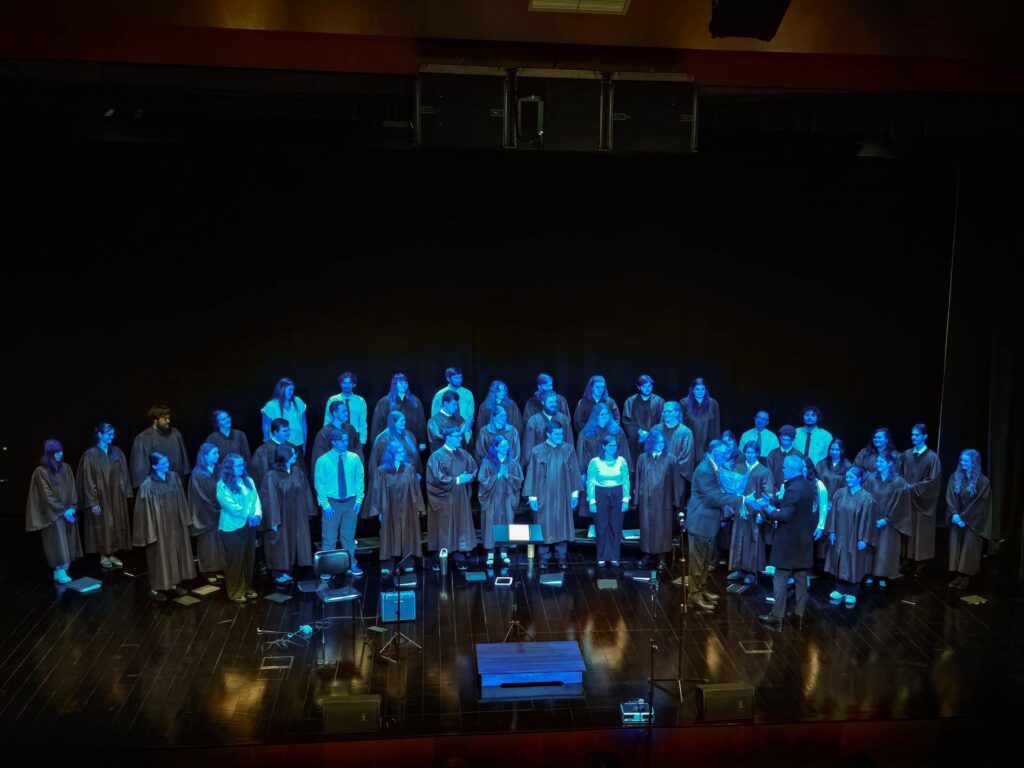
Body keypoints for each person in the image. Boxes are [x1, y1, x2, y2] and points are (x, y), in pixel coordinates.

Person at [758, 454, 818, 629]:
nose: (782, 469)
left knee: (780, 579)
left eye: (784, 467)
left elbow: (785, 515)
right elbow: (793, 505)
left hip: (788, 542)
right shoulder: (807, 485)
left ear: (792, 469)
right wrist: (773, 501)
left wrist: (767, 509)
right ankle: (799, 615)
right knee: (801, 578)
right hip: (803, 541)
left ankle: (777, 615)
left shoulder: (792, 489)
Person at [685, 441, 744, 611]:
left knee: (704, 561)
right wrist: (741, 499)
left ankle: (701, 589)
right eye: (722, 453)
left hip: (708, 522)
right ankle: (694, 595)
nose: (726, 455)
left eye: (726, 452)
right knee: (697, 562)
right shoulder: (705, 470)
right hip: (700, 522)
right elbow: (714, 497)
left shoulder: (714, 467)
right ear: (712, 452)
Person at [133, 451, 196, 602]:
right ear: (154, 466)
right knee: (160, 557)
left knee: (174, 554)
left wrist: (184, 520)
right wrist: (151, 531)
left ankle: (173, 584)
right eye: (163, 463)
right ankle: (155, 588)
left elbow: (181, 500)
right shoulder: (147, 485)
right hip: (159, 527)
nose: (167, 465)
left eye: (167, 461)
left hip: (175, 524)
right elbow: (143, 512)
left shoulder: (174, 477)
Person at [523, 421, 584, 570]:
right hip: (544, 494)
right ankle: (543, 557)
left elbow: (574, 473)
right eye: (556, 434)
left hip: (563, 494)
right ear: (548, 434)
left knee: (562, 524)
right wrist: (532, 498)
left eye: (561, 433)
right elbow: (532, 474)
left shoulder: (568, 449)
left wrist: (574, 494)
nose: (560, 436)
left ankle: (561, 556)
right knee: (544, 524)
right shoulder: (538, 451)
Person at [25, 439, 81, 584]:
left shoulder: (66, 467)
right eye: (57, 452)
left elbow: (72, 489)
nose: (60, 454)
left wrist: (72, 508)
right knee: (57, 542)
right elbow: (46, 496)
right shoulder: (41, 471)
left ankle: (61, 569)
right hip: (52, 514)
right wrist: (63, 511)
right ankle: (59, 570)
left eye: (61, 451)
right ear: (49, 454)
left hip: (67, 511)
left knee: (68, 540)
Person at [77, 422, 132, 569]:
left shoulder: (117, 452)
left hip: (116, 496)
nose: (111, 437)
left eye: (112, 434)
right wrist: (93, 502)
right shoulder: (90, 455)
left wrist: (125, 493)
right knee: (103, 525)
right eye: (108, 434)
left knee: (116, 523)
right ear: (100, 434)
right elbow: (87, 480)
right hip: (101, 497)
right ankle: (103, 555)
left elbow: (124, 474)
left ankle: (112, 553)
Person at [365, 440, 424, 575]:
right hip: (389, 508)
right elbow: (376, 491)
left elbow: (416, 490)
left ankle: (407, 561)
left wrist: (418, 508)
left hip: (407, 507)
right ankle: (388, 562)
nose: (402, 454)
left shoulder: (409, 469)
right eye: (399, 452)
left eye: (403, 451)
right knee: (388, 535)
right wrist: (378, 511)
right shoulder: (382, 471)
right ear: (391, 453)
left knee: (407, 534)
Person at [260, 444, 316, 584]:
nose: (295, 456)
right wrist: (274, 520)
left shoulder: (297, 471)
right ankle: (278, 572)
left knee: (294, 542)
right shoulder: (272, 475)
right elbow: (270, 498)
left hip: (297, 515)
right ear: (283, 456)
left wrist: (309, 511)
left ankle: (287, 570)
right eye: (292, 453)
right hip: (281, 516)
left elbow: (306, 491)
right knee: (281, 544)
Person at [313, 429, 365, 579]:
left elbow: (359, 479)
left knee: (348, 536)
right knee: (329, 537)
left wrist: (359, 499)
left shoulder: (354, 458)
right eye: (342, 441)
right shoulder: (323, 461)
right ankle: (327, 567)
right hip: (332, 504)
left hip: (350, 502)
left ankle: (351, 563)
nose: (346, 443)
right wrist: (325, 505)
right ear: (333, 442)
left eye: (346, 440)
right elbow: (320, 484)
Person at [425, 427, 478, 570]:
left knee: (460, 524)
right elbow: (436, 479)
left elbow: (473, 468)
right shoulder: (436, 457)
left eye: (460, 436)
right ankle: (440, 556)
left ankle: (458, 555)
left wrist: (469, 476)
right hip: (444, 498)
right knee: (444, 527)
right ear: (448, 437)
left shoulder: (463, 454)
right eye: (456, 436)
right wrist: (458, 480)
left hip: (460, 497)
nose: (460, 439)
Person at [824, 466, 876, 606]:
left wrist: (863, 539)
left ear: (859, 479)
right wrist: (832, 531)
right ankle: (840, 589)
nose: (848, 479)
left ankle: (852, 591)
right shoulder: (840, 493)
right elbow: (833, 514)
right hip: (841, 534)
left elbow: (867, 521)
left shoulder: (866, 498)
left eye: (851, 477)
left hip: (855, 536)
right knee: (840, 559)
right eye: (847, 477)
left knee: (854, 562)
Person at [216, 453, 262, 602]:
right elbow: (231, 507)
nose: (242, 468)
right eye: (238, 466)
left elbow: (256, 500)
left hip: (249, 526)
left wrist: (257, 514)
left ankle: (247, 588)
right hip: (232, 528)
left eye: (242, 465)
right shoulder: (223, 484)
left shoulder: (248, 481)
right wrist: (249, 515)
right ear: (229, 467)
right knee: (235, 561)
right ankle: (235, 591)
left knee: (248, 559)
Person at [863, 450, 910, 590]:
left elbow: (901, 504)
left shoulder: (898, 482)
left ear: (889, 463)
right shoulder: (871, 479)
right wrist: (870, 517)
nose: (878, 464)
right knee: (871, 548)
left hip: (889, 522)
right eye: (877, 461)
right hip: (872, 520)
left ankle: (883, 576)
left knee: (885, 549)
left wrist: (887, 519)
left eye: (881, 462)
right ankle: (870, 574)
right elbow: (865, 497)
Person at [727, 441, 773, 585]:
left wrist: (762, 513)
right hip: (739, 510)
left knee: (753, 541)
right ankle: (738, 569)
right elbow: (731, 488)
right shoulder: (738, 467)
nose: (750, 455)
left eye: (753, 452)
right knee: (738, 538)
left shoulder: (764, 471)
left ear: (758, 453)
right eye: (748, 452)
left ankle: (751, 572)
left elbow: (767, 494)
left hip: (755, 512)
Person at [946, 449, 992, 591]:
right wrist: (954, 514)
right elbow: (950, 497)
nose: (962, 463)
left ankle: (966, 577)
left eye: (966, 461)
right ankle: (958, 576)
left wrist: (964, 518)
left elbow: (980, 504)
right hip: (957, 519)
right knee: (956, 547)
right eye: (961, 460)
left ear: (974, 462)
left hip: (972, 521)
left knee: (968, 549)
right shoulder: (955, 477)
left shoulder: (983, 481)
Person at [900, 424, 942, 572]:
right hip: (907, 500)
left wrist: (912, 487)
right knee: (908, 529)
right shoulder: (906, 455)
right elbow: (898, 474)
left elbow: (933, 481)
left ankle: (921, 563)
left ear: (925, 436)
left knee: (921, 531)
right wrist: (903, 485)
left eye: (917, 435)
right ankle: (907, 559)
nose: (913, 437)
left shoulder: (932, 458)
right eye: (912, 435)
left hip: (923, 501)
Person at [634, 430, 678, 571]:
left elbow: (676, 482)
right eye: (657, 442)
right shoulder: (642, 458)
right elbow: (638, 479)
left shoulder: (670, 459)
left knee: (662, 528)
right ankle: (646, 554)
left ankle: (662, 557)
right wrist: (637, 499)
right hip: (646, 499)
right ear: (651, 443)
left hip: (664, 500)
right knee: (646, 527)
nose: (660, 445)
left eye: (662, 442)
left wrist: (676, 501)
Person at [478, 435, 524, 568]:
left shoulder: (513, 463)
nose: (506, 448)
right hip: (492, 500)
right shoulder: (487, 463)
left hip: (507, 500)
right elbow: (482, 480)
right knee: (491, 525)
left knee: (505, 524)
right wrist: (497, 476)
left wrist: (508, 476)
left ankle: (504, 552)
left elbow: (519, 480)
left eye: (507, 445)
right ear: (496, 447)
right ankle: (490, 554)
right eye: (503, 446)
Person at [587, 435, 630, 567]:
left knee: (616, 526)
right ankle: (601, 556)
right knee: (601, 526)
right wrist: (592, 501)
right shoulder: (595, 461)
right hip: (600, 494)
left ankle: (614, 557)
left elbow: (626, 480)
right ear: (604, 446)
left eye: (614, 446)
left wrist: (626, 499)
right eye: (610, 445)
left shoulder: (621, 461)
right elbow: (590, 482)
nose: (613, 448)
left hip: (617, 493)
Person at [188, 442, 225, 578]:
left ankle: (220, 568)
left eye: (217, 453)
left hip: (221, 513)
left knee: (220, 544)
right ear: (205, 456)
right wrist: (217, 509)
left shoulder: (219, 469)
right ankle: (208, 571)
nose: (218, 455)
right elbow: (200, 498)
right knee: (208, 544)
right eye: (214, 453)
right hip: (207, 515)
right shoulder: (198, 474)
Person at [130, 405, 190, 489]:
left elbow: (185, 461)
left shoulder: (175, 433)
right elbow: (139, 470)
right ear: (155, 420)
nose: (168, 420)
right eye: (165, 418)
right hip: (156, 488)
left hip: (176, 484)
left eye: (168, 418)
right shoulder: (143, 438)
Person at [814, 439, 853, 561]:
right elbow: (816, 483)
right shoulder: (821, 464)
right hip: (821, 503)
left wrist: (833, 503)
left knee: (832, 532)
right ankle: (817, 562)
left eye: (837, 449)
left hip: (837, 504)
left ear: (842, 451)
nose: (834, 452)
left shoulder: (848, 466)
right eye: (832, 449)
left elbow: (847, 488)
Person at [651, 400, 695, 505]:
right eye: (664, 411)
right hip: (657, 475)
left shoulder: (686, 432)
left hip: (676, 476)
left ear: (677, 413)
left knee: (675, 506)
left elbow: (686, 457)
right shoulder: (655, 430)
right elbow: (649, 451)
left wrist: (669, 468)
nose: (666, 414)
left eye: (669, 411)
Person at [371, 373, 427, 453]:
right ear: (394, 384)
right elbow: (378, 423)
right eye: (401, 383)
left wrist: (422, 441)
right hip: (390, 442)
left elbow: (421, 423)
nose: (404, 385)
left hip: (410, 441)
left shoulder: (415, 402)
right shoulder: (385, 402)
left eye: (405, 383)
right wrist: (375, 441)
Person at [576, 402, 631, 482]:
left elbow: (624, 451)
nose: (604, 416)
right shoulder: (586, 433)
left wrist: (625, 471)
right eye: (601, 414)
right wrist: (582, 473)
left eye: (606, 414)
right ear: (596, 416)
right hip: (594, 473)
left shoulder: (617, 431)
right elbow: (581, 454)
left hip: (614, 471)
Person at [522, 391, 574, 466]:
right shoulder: (533, 421)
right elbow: (528, 448)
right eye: (550, 402)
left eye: (554, 402)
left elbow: (569, 443)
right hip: (540, 463)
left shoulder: (564, 420)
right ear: (543, 402)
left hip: (561, 463)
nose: (553, 404)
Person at [368, 411, 422, 483]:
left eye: (404, 420)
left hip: (409, 476)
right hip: (390, 478)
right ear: (393, 423)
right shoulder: (384, 439)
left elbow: (415, 455)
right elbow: (376, 460)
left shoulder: (409, 435)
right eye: (401, 421)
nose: (404, 422)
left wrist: (417, 472)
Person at [622, 374, 665, 462]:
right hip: (636, 440)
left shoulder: (659, 402)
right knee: (636, 462)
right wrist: (639, 431)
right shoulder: (630, 401)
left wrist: (651, 433)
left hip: (653, 439)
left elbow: (662, 420)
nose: (647, 389)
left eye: (649, 386)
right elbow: (627, 420)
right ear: (639, 387)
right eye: (644, 386)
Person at [310, 399, 361, 473]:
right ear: (335, 413)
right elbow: (319, 458)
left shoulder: (350, 429)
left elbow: (358, 449)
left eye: (346, 411)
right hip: (333, 473)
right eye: (343, 411)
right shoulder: (324, 434)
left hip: (350, 472)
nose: (347, 413)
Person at [261, 377, 308, 453]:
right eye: (289, 390)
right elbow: (266, 430)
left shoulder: (298, 402)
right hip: (279, 446)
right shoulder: (271, 405)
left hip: (297, 444)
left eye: (293, 390)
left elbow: (304, 425)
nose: (291, 392)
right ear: (281, 389)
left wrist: (304, 445)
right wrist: (269, 448)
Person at [249, 418, 297, 491]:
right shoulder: (263, 451)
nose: (288, 433)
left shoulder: (292, 447)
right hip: (273, 489)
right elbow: (260, 475)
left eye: (289, 430)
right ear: (275, 432)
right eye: (284, 431)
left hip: (292, 488)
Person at [323, 372, 368, 446]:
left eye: (349, 383)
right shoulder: (333, 400)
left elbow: (363, 423)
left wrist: (363, 441)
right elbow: (327, 420)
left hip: (354, 436)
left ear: (354, 384)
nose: (347, 385)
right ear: (340, 384)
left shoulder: (360, 401)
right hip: (336, 436)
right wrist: (326, 438)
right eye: (344, 383)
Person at [680, 377, 721, 459]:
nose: (700, 391)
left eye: (702, 389)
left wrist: (716, 445)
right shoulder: (684, 403)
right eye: (697, 389)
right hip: (690, 444)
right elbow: (681, 425)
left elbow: (717, 427)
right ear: (693, 390)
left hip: (708, 443)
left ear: (706, 390)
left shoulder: (713, 404)